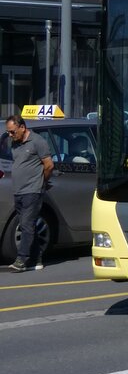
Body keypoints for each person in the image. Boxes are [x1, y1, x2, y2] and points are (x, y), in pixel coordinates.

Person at [4, 115, 54, 272]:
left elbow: (49, 165)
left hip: (33, 190)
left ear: (22, 127)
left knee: (25, 224)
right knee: (29, 225)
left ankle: (22, 259)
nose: (10, 135)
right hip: (19, 191)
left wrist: (42, 183)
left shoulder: (38, 142)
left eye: (12, 132)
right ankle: (36, 259)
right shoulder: (15, 143)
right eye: (8, 133)